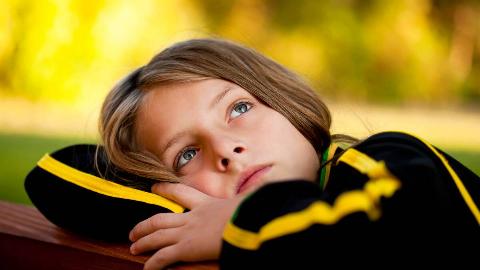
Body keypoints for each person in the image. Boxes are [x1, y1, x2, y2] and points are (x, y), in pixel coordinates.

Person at [98, 38, 480, 269]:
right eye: (186, 154)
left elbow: (397, 218)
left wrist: (242, 222)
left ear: (284, 103)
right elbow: (57, 176)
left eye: (239, 109)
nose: (226, 150)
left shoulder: (387, 158)